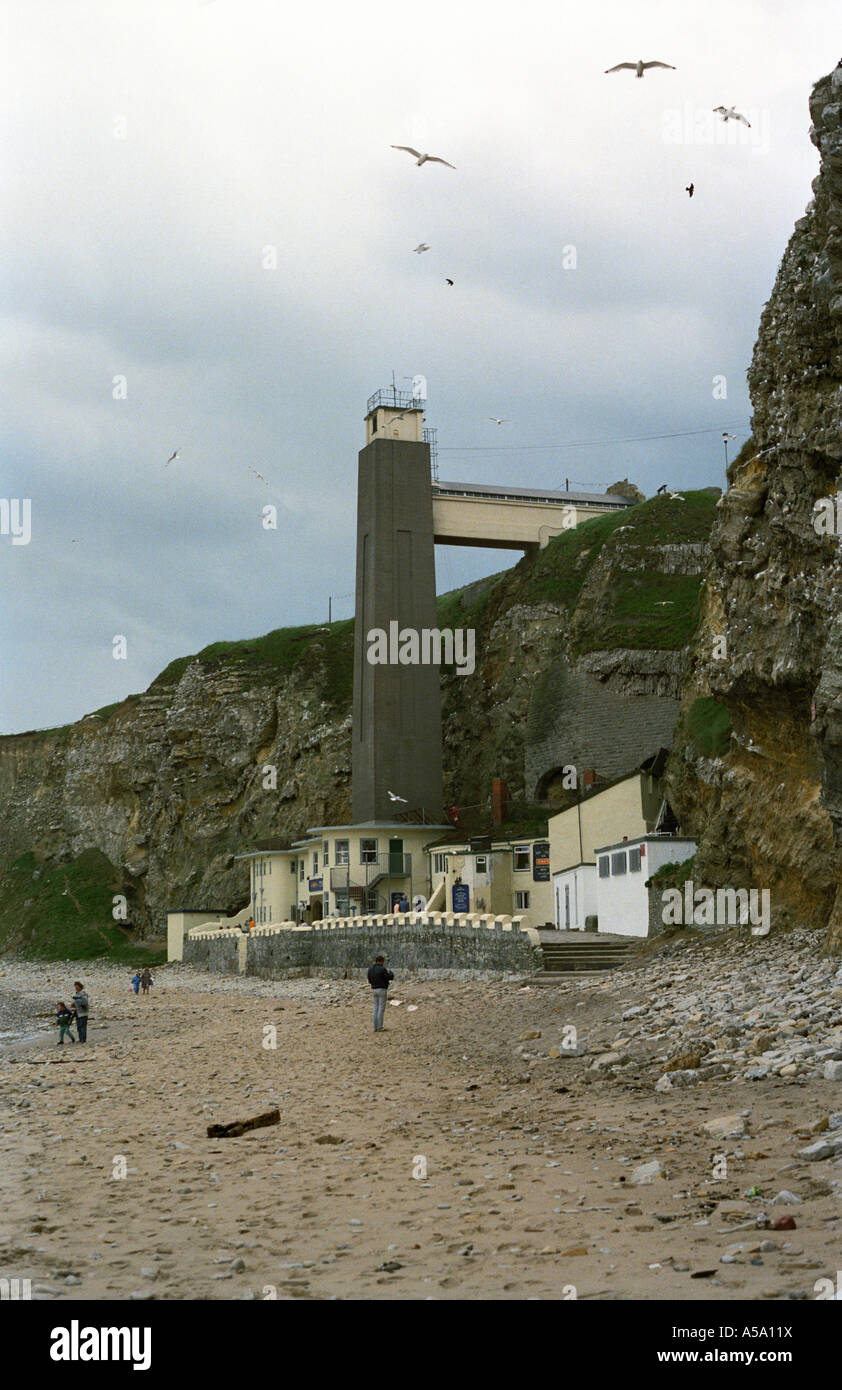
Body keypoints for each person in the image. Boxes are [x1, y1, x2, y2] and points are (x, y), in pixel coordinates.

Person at [367, 954, 394, 1033]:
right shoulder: (382, 969)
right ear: (382, 961)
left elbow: (369, 979)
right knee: (381, 1008)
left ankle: (375, 1027)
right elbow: (389, 977)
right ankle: (380, 1027)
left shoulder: (370, 969)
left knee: (375, 1008)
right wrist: (391, 973)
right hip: (382, 989)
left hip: (374, 989)